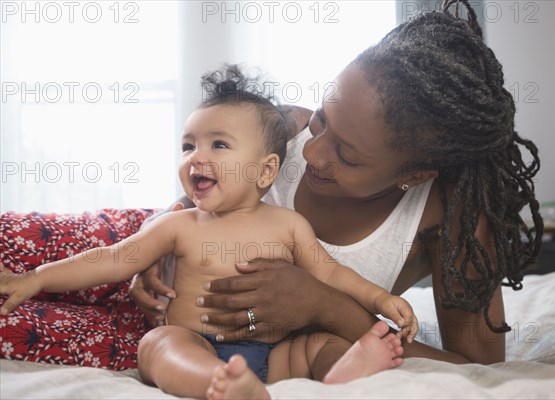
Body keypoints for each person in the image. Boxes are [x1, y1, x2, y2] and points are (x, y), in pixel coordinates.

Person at [130, 0, 544, 383]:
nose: (310, 152)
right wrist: (159, 234)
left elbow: (481, 370)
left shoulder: (451, 219)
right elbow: (201, 185)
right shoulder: (284, 129)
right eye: (323, 119)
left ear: (415, 175)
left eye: (347, 155)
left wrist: (327, 307)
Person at [0, 65, 416, 399]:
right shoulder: (179, 226)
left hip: (278, 351)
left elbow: (331, 275)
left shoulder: (289, 225)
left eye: (218, 145)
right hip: (198, 342)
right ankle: (218, 383)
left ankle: (340, 377)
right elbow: (112, 259)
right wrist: (38, 278)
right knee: (159, 345)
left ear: (265, 169)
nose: (197, 157)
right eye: (187, 146)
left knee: (324, 343)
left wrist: (380, 299)